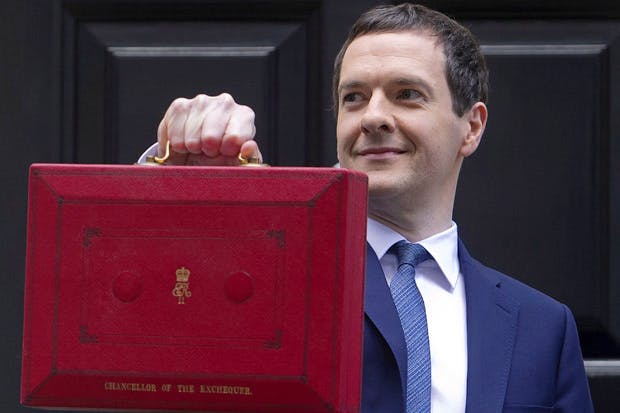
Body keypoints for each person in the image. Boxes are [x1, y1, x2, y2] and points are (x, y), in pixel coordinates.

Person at [140, 3, 594, 412]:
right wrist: (183, 198)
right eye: (354, 97)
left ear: (471, 127)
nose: (373, 117)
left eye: (407, 93)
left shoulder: (543, 327)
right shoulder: (267, 277)